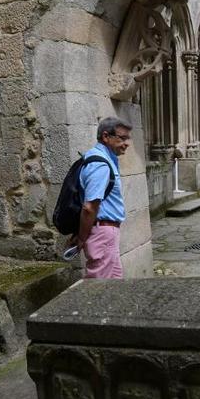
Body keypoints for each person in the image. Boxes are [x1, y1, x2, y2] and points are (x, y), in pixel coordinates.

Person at [72, 117, 132, 279]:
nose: (127, 143)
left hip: (105, 233)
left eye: (128, 138)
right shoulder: (100, 164)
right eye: (122, 138)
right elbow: (89, 207)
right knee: (98, 288)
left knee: (113, 284)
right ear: (106, 136)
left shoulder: (101, 159)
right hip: (102, 232)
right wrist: (82, 237)